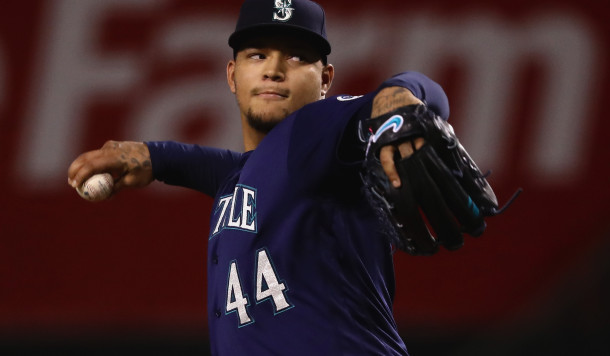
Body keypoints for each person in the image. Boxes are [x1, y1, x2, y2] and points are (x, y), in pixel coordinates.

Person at [68, 0, 450, 354]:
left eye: (297, 56)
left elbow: (421, 91)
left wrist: (400, 95)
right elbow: (221, 167)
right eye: (258, 55)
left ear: (326, 80)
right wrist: (155, 156)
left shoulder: (317, 130)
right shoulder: (245, 176)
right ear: (232, 75)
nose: (274, 69)